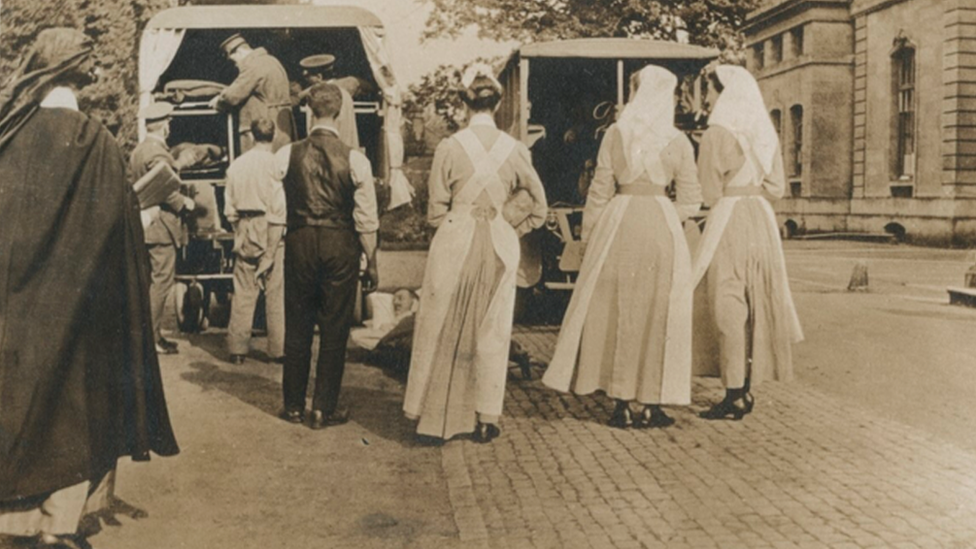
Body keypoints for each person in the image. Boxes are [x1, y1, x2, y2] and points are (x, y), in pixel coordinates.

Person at [0, 28, 179, 548]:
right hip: (74, 313)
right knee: (72, 414)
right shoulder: (95, 141)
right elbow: (117, 237)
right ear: (78, 76)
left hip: (12, 310)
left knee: (15, 405)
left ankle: (14, 522)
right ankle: (59, 526)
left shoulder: (8, 134)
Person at [542, 66, 702, 429]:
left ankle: (620, 403)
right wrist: (665, 214)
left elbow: (599, 190)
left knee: (618, 309)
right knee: (658, 311)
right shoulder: (678, 142)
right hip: (662, 225)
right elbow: (692, 200)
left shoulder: (616, 133)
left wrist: (588, 238)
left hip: (620, 221)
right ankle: (652, 402)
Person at [402, 64, 548, 443]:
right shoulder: (515, 148)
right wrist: (509, 226)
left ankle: (433, 417)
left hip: (456, 235)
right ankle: (486, 417)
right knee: (493, 329)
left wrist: (457, 222)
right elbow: (538, 204)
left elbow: (435, 210)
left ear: (464, 103)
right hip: (499, 240)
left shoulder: (450, 147)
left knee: (438, 321)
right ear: (497, 103)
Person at [691, 64, 804, 420]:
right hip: (761, 218)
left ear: (723, 93)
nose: (707, 98)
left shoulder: (717, 133)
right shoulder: (764, 132)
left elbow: (708, 191)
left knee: (726, 299)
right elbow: (776, 188)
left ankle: (734, 392)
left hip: (729, 215)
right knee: (757, 297)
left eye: (710, 91)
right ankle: (747, 387)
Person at [277, 83, 379, 430]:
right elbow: (366, 219)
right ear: (339, 112)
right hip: (340, 244)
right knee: (335, 328)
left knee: (298, 323)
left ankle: (292, 405)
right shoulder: (356, 159)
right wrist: (372, 260)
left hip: (300, 241)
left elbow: (274, 208)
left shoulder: (285, 154)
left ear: (309, 111)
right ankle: (322, 408)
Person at [130, 101, 196, 355]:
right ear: (165, 126)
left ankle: (147, 335)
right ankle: (152, 338)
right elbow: (165, 187)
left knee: (149, 281)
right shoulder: (157, 152)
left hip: (147, 223)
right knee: (161, 282)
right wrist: (185, 203)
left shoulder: (140, 150)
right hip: (162, 227)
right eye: (168, 123)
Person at [224, 118, 287, 365]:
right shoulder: (276, 165)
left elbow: (229, 206)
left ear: (251, 136)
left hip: (244, 224)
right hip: (270, 223)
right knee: (275, 289)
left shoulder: (237, 165)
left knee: (243, 288)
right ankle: (278, 350)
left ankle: (237, 349)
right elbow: (279, 205)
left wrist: (239, 227)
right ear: (273, 137)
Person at [209, 33, 295, 152]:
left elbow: (232, 96)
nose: (235, 65)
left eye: (233, 60)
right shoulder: (272, 60)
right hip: (281, 124)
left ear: (238, 52)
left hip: (263, 126)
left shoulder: (254, 65)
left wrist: (218, 102)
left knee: (258, 166)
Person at [298, 54, 359, 149]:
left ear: (319, 77)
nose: (306, 80)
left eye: (308, 76)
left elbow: (311, 131)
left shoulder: (317, 97)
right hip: (346, 152)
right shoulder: (345, 94)